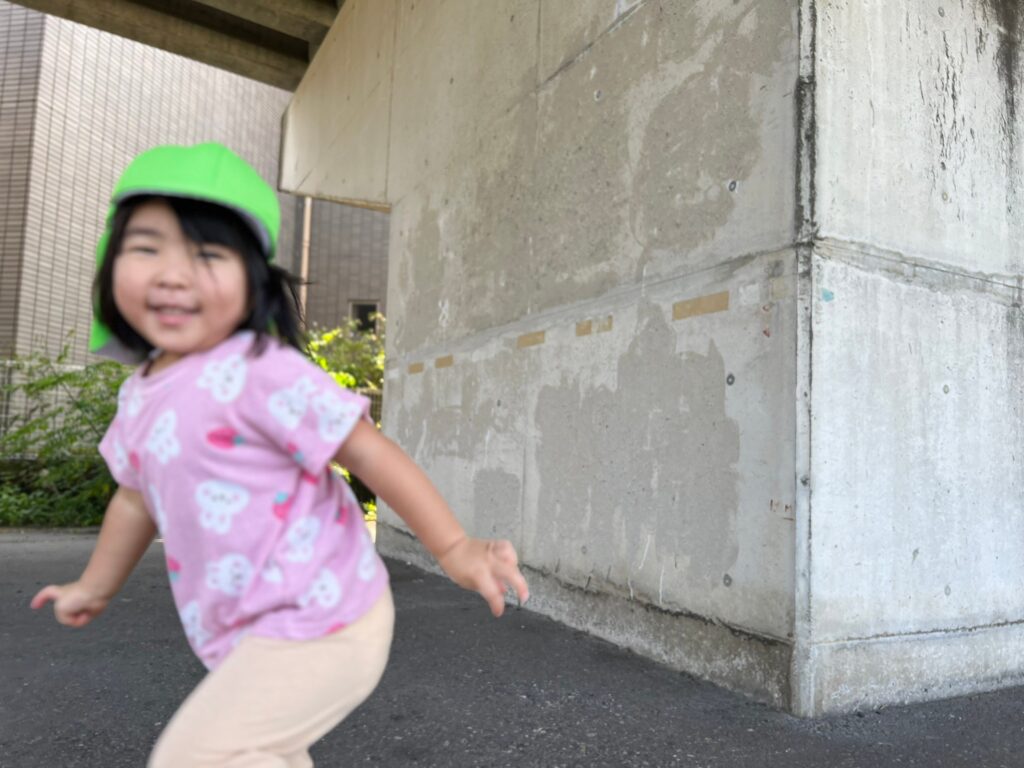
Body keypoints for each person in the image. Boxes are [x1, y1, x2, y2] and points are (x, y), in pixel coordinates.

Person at [29, 142, 529, 767]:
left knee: (192, 758)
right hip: (248, 636)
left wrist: (454, 548)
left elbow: (367, 452)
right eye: (147, 248)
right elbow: (135, 501)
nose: (173, 274)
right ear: (109, 266)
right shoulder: (140, 397)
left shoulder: (259, 371)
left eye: (208, 254)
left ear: (253, 283)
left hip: (325, 619)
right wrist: (95, 587)